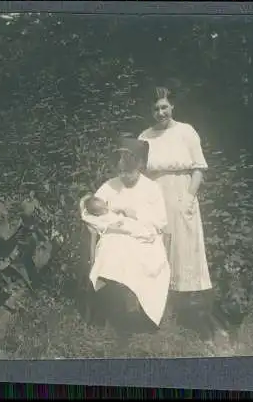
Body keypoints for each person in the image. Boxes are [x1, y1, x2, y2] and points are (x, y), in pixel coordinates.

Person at [138, 86, 215, 338]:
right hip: (155, 194)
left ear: (172, 108)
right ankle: (160, 307)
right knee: (158, 246)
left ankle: (188, 312)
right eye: (156, 108)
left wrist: (189, 198)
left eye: (164, 107)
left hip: (182, 192)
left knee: (183, 249)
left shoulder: (186, 131)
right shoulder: (145, 136)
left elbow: (199, 168)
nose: (160, 112)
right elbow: (138, 172)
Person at [79, 137, 171, 338]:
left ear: (139, 167)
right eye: (122, 172)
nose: (125, 177)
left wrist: (135, 214)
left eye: (130, 172)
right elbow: (91, 210)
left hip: (144, 237)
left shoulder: (151, 188)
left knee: (141, 258)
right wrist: (112, 219)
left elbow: (161, 222)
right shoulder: (110, 185)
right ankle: (105, 307)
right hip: (115, 234)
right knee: (110, 251)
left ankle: (139, 315)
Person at [82, 194, 157, 243]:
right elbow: (105, 227)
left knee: (134, 223)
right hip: (119, 226)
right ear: (97, 214)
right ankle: (145, 236)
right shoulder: (100, 219)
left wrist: (120, 210)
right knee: (130, 230)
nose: (106, 209)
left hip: (123, 220)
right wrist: (114, 225)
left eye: (105, 205)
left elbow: (114, 210)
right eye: (103, 209)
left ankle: (148, 232)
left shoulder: (107, 209)